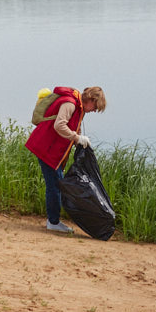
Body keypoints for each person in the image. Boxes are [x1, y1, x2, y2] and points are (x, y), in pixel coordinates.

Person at [24, 85, 107, 234]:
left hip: (51, 149)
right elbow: (59, 125)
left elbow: (71, 127)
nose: (94, 110)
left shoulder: (79, 108)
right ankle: (53, 222)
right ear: (91, 99)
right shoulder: (70, 103)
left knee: (56, 183)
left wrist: (78, 142)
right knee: (55, 185)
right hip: (46, 148)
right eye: (95, 107)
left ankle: (53, 220)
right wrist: (77, 138)